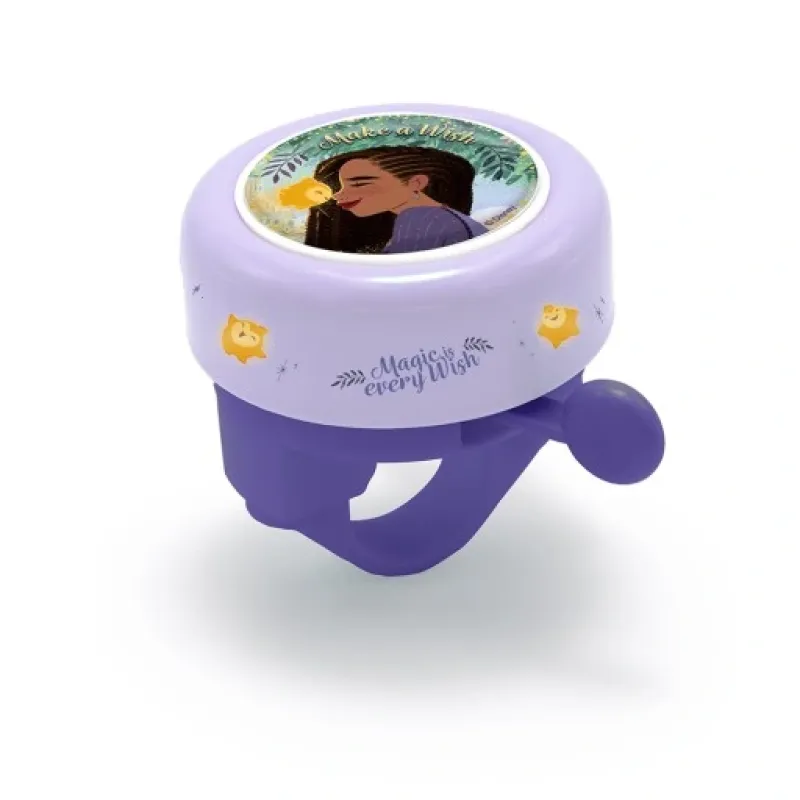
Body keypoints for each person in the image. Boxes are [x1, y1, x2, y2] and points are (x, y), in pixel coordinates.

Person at [304, 146, 488, 254]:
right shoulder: (442, 217)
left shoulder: (421, 218)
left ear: (416, 183)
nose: (337, 195)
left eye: (359, 183)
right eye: (342, 186)